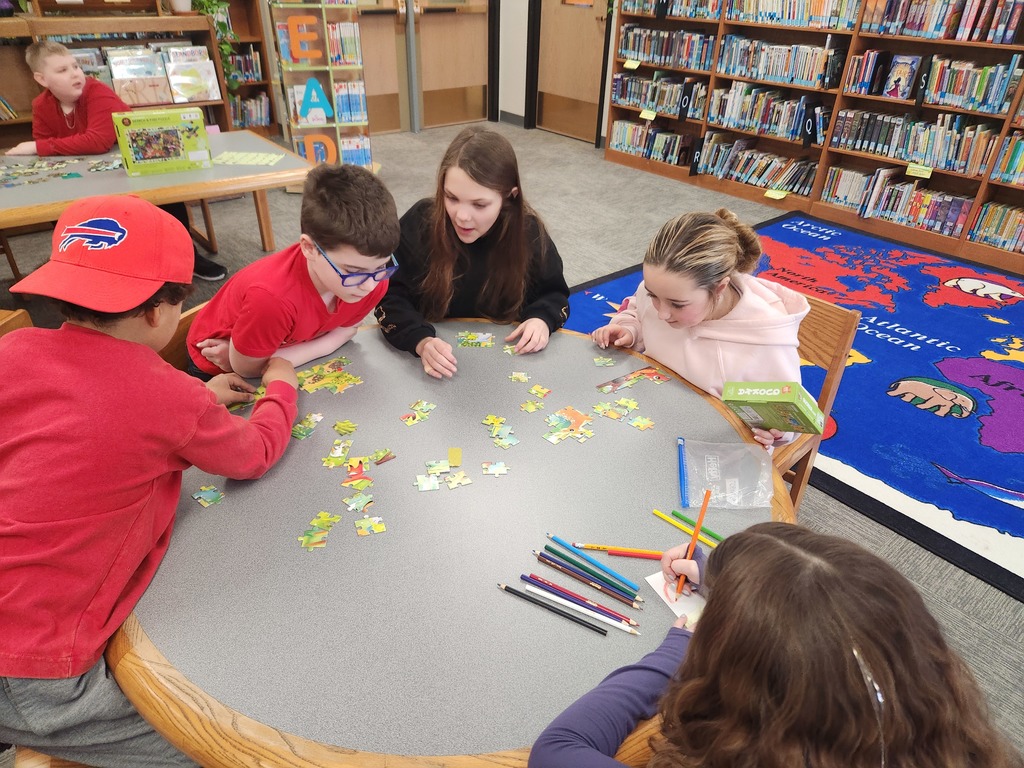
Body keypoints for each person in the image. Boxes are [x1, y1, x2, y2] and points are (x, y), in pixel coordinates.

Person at [0, 195, 299, 767]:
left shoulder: (12, 349)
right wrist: (281, 386)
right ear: (163, 312)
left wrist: (194, 404)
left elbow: (81, 422)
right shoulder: (167, 395)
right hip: (37, 672)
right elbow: (254, 453)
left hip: (19, 645)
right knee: (232, 745)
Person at [530, 522, 1024, 768]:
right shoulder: (944, 734)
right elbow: (820, 608)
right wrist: (724, 584)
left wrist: (675, 652)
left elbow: (557, 750)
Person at [4, 40, 228, 281]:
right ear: (42, 79)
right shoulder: (41, 105)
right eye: (62, 70)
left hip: (129, 169)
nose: (75, 74)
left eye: (76, 66)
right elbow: (46, 149)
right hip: (86, 176)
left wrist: (38, 146)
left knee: (166, 195)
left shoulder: (97, 91)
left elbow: (97, 141)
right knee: (56, 204)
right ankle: (92, 260)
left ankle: (188, 257)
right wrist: (44, 147)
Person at [592, 209, 809, 447]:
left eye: (677, 304)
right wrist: (629, 328)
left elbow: (785, 414)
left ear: (719, 288)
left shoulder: (766, 343)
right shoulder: (663, 290)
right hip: (645, 415)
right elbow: (637, 308)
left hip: (714, 446)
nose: (661, 312)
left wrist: (777, 433)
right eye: (653, 295)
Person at [374, 125, 570, 379]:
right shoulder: (420, 222)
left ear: (509, 197)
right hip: (429, 366)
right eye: (451, 198)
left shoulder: (529, 234)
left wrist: (542, 319)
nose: (462, 216)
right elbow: (387, 295)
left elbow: (554, 295)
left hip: (505, 366)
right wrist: (420, 340)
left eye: (479, 204)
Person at [185, 162, 400, 379]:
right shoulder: (271, 299)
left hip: (263, 355)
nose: (370, 285)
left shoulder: (375, 278)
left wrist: (279, 355)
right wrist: (329, 342)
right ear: (309, 248)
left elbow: (346, 332)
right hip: (216, 369)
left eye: (381, 266)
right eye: (353, 271)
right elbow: (247, 370)